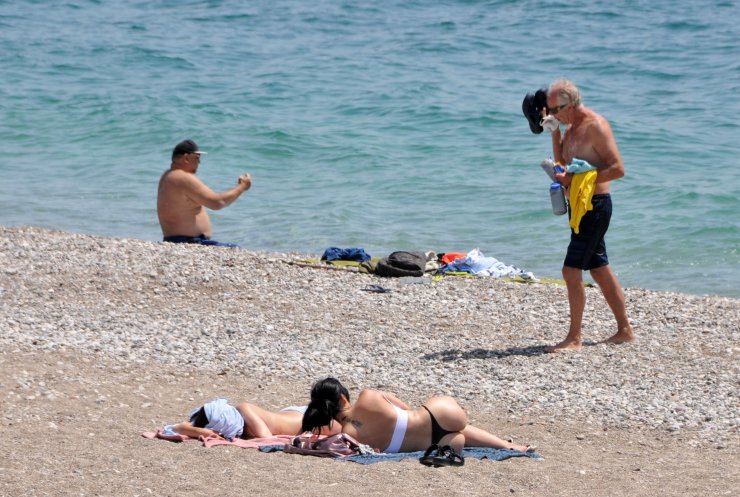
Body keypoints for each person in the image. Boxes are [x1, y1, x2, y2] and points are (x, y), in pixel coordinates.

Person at [544, 79, 635, 352]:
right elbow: (562, 165)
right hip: (579, 207)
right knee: (599, 268)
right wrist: (554, 134)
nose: (551, 114)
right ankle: (624, 330)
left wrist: (578, 180)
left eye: (554, 110)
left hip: (596, 205)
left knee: (570, 270)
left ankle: (574, 338)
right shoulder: (570, 127)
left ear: (569, 104)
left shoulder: (596, 126)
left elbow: (618, 169)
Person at [301, 378, 533, 466]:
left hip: (438, 442)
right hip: (440, 413)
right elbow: (404, 408)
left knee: (456, 434)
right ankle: (508, 446)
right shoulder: (367, 395)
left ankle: (505, 446)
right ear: (343, 397)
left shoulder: (350, 437)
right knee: (457, 424)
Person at [157, 139, 251, 247]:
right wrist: (242, 187)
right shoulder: (182, 177)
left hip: (176, 241)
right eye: (197, 158)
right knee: (236, 250)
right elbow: (217, 202)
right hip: (188, 242)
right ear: (186, 158)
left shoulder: (168, 176)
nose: (199, 162)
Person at [172, 398, 340, 440]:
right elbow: (245, 406)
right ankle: (186, 428)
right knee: (221, 432)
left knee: (221, 430)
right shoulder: (322, 425)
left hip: (219, 413)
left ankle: (189, 427)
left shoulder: (302, 413)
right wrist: (265, 435)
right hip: (230, 417)